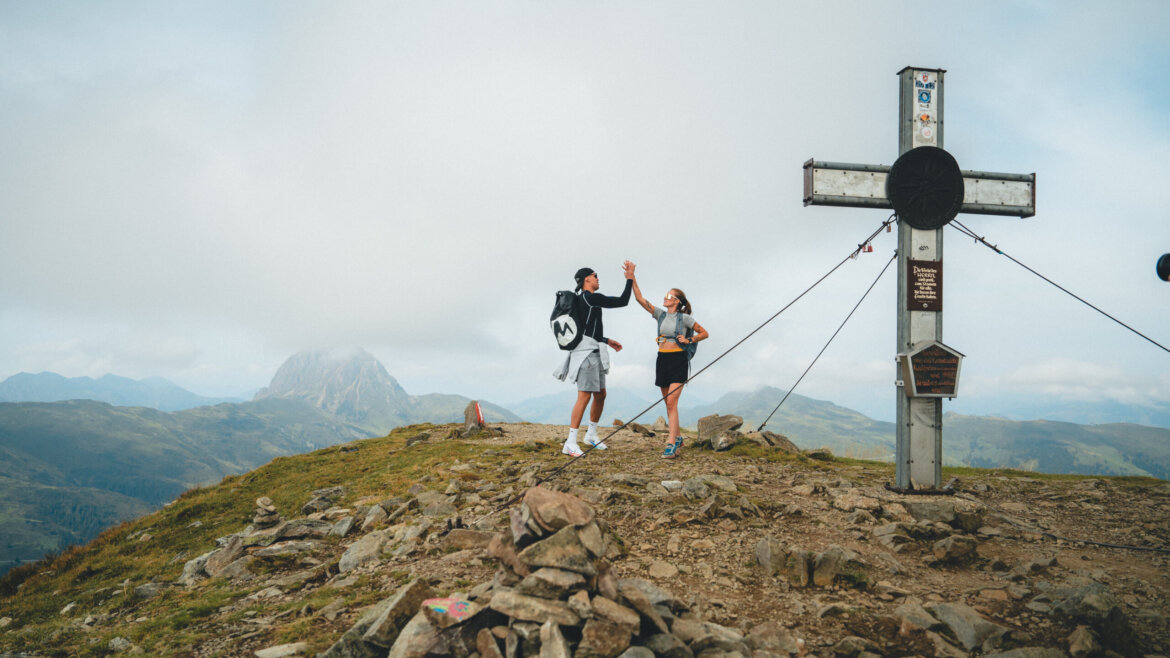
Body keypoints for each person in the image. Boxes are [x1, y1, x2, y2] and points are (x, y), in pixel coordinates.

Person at [553, 262, 634, 457]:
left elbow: (586, 330)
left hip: (593, 350)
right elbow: (623, 300)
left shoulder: (583, 301)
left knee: (600, 394)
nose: (598, 278)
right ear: (587, 279)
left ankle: (591, 434)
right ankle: (570, 442)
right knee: (585, 396)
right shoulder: (590, 298)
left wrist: (606, 340)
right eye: (595, 275)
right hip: (586, 354)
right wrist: (630, 278)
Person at [628, 264, 709, 458]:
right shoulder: (660, 314)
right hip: (662, 359)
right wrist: (632, 277)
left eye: (670, 296)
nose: (666, 298)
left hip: (679, 360)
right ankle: (678, 437)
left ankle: (671, 443)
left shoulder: (685, 319)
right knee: (668, 403)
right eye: (666, 295)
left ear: (678, 301)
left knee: (672, 401)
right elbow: (640, 299)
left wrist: (690, 339)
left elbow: (704, 333)